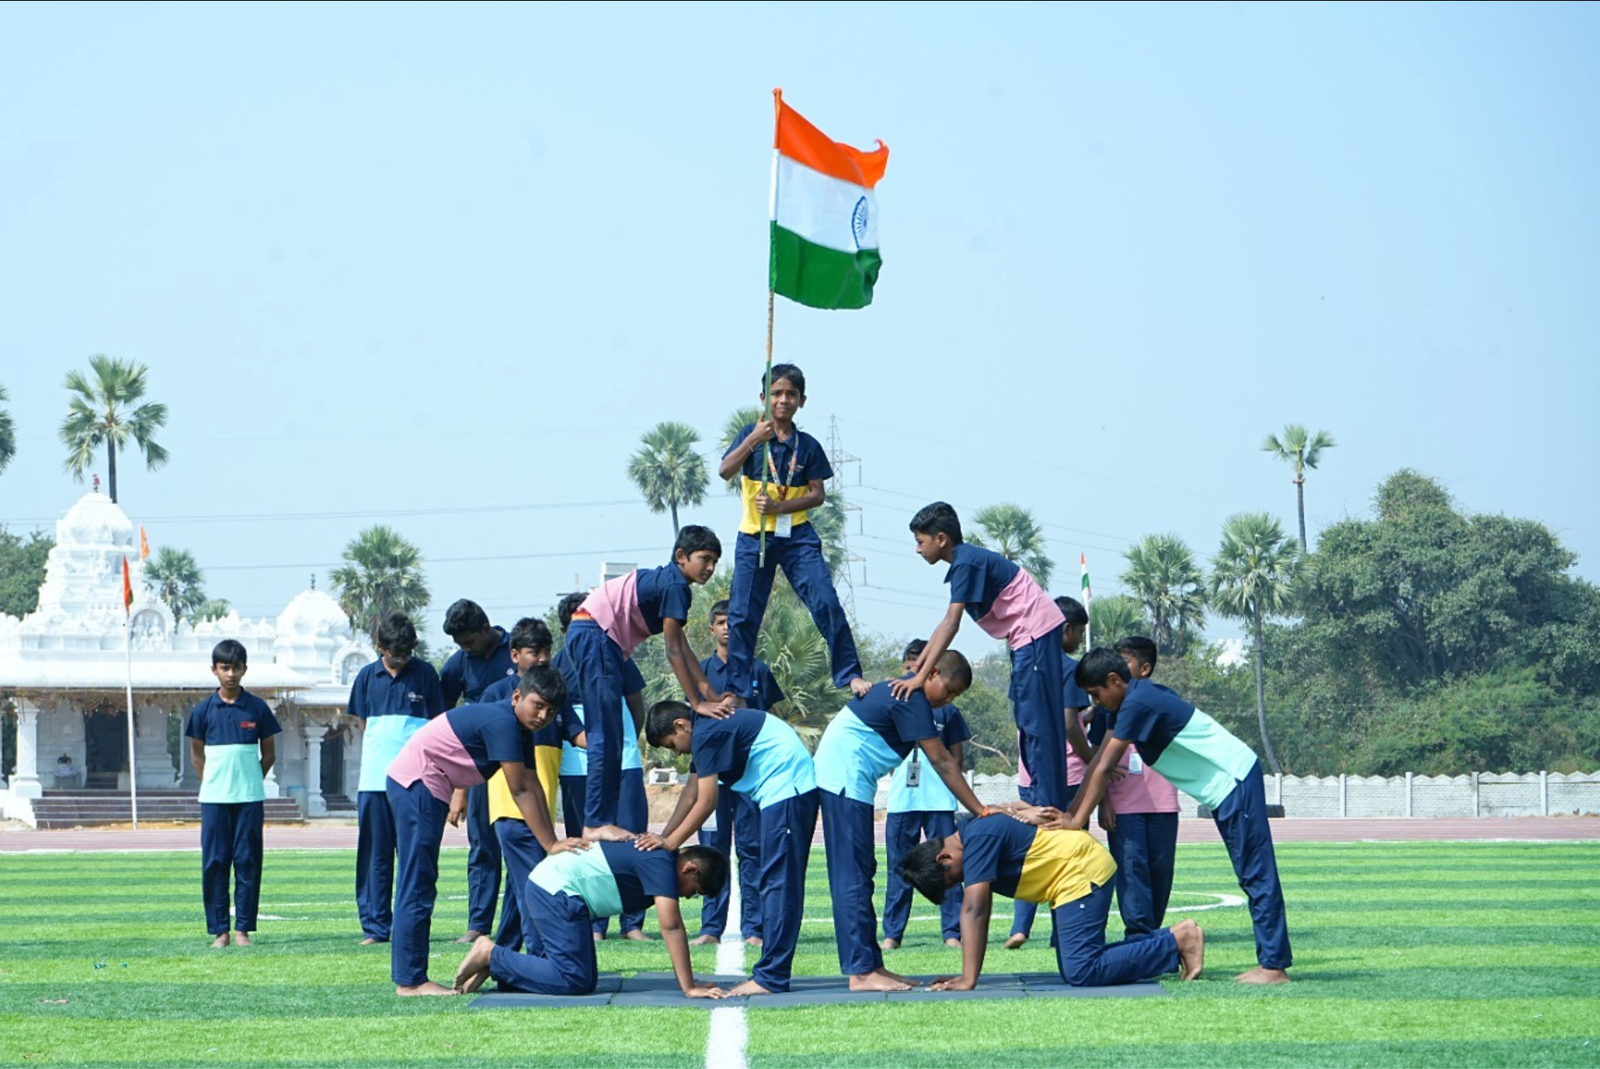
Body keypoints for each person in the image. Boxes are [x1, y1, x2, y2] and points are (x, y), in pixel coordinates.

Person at [1063, 647, 1292, 984]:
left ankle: (1274, 966)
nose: (1095, 702)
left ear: (1114, 680)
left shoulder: (1137, 703)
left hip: (1233, 780)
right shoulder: (1126, 702)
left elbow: (1107, 765)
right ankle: (1272, 961)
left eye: (1096, 694)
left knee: (1256, 872)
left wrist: (1072, 821)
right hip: (1225, 787)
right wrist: (1071, 815)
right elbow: (1096, 764)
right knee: (1251, 873)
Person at [384, 665, 583, 996]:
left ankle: (411, 976)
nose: (543, 715)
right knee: (417, 880)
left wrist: (553, 841)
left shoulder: (520, 729)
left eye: (551, 711)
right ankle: (411, 980)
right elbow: (518, 790)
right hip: (418, 781)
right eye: (538, 705)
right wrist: (550, 844)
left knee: (419, 878)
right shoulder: (503, 722)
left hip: (427, 783)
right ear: (517, 696)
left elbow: (533, 785)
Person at [814, 652, 991, 992]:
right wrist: (980, 810)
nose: (949, 699)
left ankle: (872, 964)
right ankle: (861, 972)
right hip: (844, 776)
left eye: (956, 697)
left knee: (863, 870)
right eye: (949, 690)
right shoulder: (912, 698)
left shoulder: (911, 697)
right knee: (852, 874)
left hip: (852, 779)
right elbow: (942, 761)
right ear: (933, 672)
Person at [894, 502, 1070, 818]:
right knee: (1027, 720)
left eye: (921, 541)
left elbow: (951, 622)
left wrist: (920, 678)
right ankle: (1034, 795)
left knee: (1039, 721)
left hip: (1035, 635)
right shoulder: (965, 562)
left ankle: (1048, 803)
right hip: (1025, 640)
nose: (917, 550)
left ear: (941, 539)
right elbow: (941, 626)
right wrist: (918, 671)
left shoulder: (967, 563)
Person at [899, 811, 1204, 990]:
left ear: (944, 857)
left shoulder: (977, 838)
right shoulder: (976, 835)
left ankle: (1177, 941)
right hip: (1069, 877)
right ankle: (1173, 939)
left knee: (1082, 971)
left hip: (1079, 870)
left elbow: (975, 908)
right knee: (1079, 964)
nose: (960, 883)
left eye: (952, 878)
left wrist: (967, 979)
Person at [718, 364, 871, 705]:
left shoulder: (809, 446)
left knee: (826, 601)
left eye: (790, 394)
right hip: (754, 537)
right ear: (763, 398)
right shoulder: (749, 434)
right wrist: (754, 440)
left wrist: (778, 508)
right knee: (743, 614)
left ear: (802, 400)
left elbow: (818, 494)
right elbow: (725, 470)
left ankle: (850, 673)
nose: (783, 400)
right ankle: (738, 690)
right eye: (776, 393)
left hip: (796, 536)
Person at [567, 525, 731, 841]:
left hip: (597, 636)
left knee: (613, 734)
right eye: (705, 559)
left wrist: (708, 691)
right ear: (681, 556)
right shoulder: (676, 586)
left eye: (714, 561)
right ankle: (595, 822)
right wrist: (696, 703)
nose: (710, 568)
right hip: (596, 635)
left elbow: (681, 644)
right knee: (604, 734)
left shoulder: (671, 584)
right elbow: (672, 651)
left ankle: (602, 818)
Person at [644, 700, 818, 995]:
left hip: (789, 790)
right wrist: (664, 838)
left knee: (780, 884)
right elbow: (691, 791)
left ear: (680, 725)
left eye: (672, 745)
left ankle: (771, 977)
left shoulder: (705, 733)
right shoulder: (703, 732)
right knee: (774, 881)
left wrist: (671, 843)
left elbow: (707, 801)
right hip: (780, 793)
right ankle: (771, 974)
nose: (678, 752)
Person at [452, 843, 730, 1000]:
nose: (688, 897)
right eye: (694, 890)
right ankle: (490, 953)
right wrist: (689, 986)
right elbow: (671, 927)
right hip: (556, 891)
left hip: (554, 890)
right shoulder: (661, 865)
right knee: (574, 980)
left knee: (575, 977)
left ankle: (495, 965)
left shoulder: (660, 859)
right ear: (689, 868)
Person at [551, 592, 653, 941]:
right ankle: (594, 923)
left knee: (632, 837)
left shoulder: (614, 652)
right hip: (577, 767)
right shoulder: (558, 664)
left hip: (623, 761)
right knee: (585, 843)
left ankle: (633, 923)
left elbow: (636, 704)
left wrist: (624, 746)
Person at [347, 613, 445, 946]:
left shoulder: (426, 674)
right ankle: (376, 928)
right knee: (375, 856)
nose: (401, 659)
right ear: (380, 648)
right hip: (375, 782)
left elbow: (437, 724)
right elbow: (363, 722)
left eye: (407, 653)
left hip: (417, 783)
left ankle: (411, 924)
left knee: (414, 854)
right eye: (395, 653)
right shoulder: (365, 677)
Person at [694, 598, 782, 946]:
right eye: (720, 622)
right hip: (713, 776)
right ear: (711, 629)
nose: (727, 627)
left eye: (732, 621)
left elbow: (774, 720)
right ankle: (710, 928)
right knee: (712, 851)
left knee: (751, 850)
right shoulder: (700, 673)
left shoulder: (758, 670)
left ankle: (754, 928)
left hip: (750, 778)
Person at [184, 639, 282, 949]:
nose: (230, 674)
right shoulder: (203, 711)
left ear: (245, 670)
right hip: (214, 799)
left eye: (236, 668)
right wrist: (214, 782)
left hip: (250, 798)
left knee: (248, 861)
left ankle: (243, 931)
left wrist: (249, 779)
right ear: (214, 670)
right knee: (215, 862)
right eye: (225, 668)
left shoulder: (257, 708)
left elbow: (268, 755)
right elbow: (196, 756)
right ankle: (219, 931)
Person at [1008, 595, 1092, 950]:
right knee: (1068, 852)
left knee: (1030, 850)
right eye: (1079, 632)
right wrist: (1093, 758)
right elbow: (1069, 723)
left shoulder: (1026, 664)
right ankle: (1063, 933)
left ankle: (1020, 928)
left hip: (1030, 772)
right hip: (1068, 774)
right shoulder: (1070, 668)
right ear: (1067, 629)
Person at [480, 618, 563, 952]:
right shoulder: (500, 696)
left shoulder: (554, 692)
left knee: (520, 884)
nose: (541, 658)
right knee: (534, 883)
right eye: (533, 652)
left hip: (539, 804)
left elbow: (575, 734)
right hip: (512, 805)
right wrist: (459, 794)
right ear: (515, 655)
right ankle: (540, 957)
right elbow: (479, 745)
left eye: (546, 651)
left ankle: (504, 953)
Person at [881, 639, 970, 951]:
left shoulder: (948, 712)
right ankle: (892, 934)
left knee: (948, 866)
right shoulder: (895, 701)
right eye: (907, 667)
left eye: (917, 668)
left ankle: (952, 932)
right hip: (902, 802)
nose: (910, 673)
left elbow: (955, 758)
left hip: (939, 802)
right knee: (899, 868)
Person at [439, 598, 517, 945]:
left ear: (486, 630)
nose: (465, 650)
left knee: (519, 842)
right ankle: (479, 925)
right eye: (460, 646)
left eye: (469, 642)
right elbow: (446, 716)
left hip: (519, 760)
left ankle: (521, 923)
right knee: (482, 845)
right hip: (481, 766)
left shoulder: (516, 650)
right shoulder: (458, 665)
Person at [1099, 636, 1182, 941]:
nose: (1117, 669)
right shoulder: (1109, 708)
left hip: (1163, 804)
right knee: (1133, 877)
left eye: (1125, 663)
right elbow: (1098, 760)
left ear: (1144, 669)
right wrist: (1104, 801)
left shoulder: (1165, 699)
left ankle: (1150, 939)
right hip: (1124, 807)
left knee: (1161, 876)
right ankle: (1138, 939)